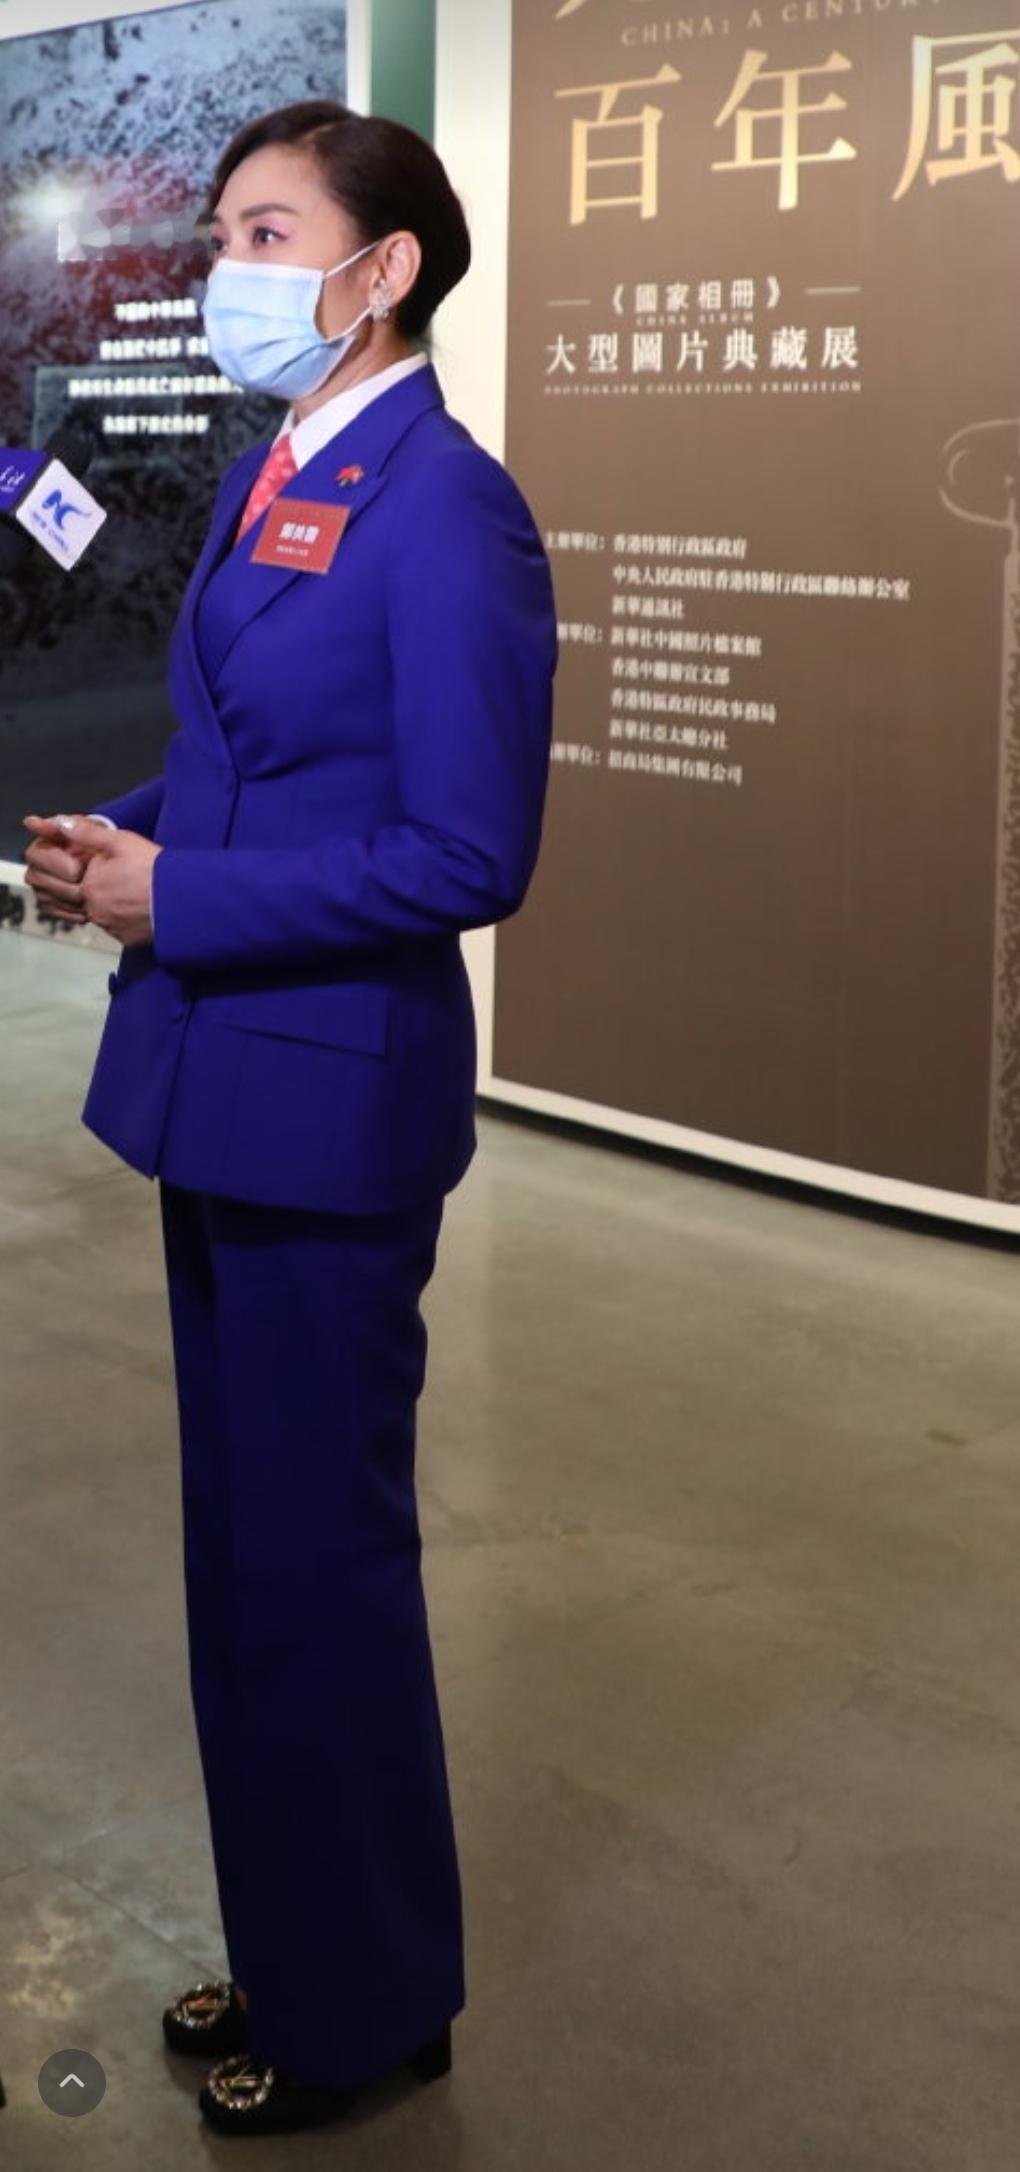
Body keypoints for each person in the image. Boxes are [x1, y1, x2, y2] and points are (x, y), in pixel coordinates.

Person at [22, 98, 557, 2139]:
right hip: (221, 1083)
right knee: (248, 1557)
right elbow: (246, 755)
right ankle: (301, 1947)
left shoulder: (449, 510)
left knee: (319, 1569)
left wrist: (190, 903)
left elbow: (469, 850)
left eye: (265, 232)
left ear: (381, 267)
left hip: (332, 1108)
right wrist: (120, 839)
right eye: (224, 232)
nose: (224, 271)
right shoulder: (286, 469)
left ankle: (362, 2015)